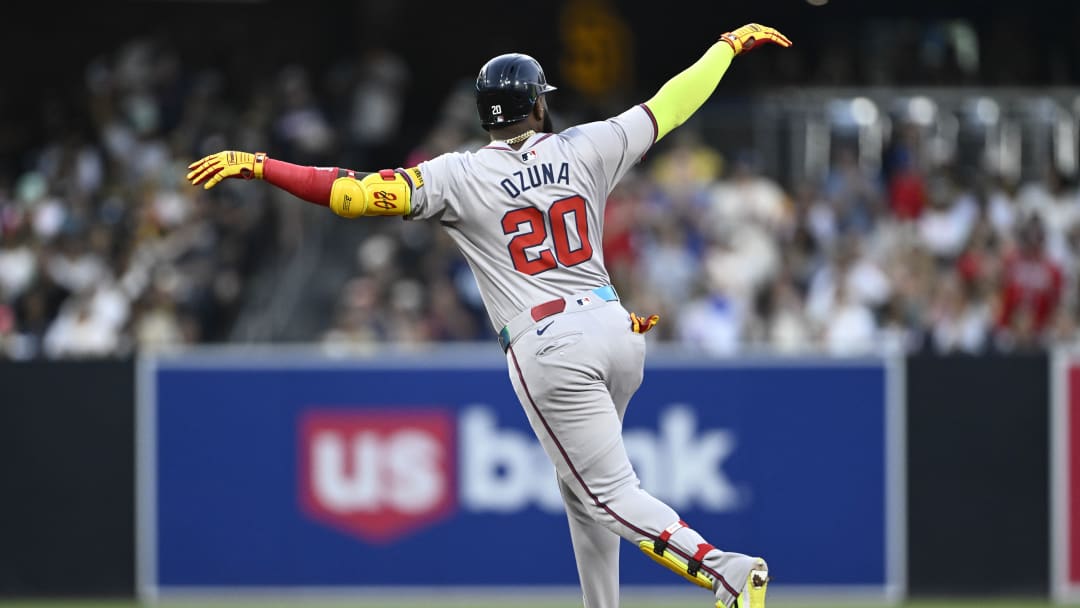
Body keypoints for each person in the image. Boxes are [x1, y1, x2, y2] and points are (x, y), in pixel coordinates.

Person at [187, 23, 791, 608]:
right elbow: (671, 104)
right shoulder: (590, 143)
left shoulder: (458, 173)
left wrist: (266, 166)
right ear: (537, 105)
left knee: (607, 493)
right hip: (615, 329)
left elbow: (351, 193)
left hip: (550, 345)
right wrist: (727, 47)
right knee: (581, 492)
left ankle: (727, 571)